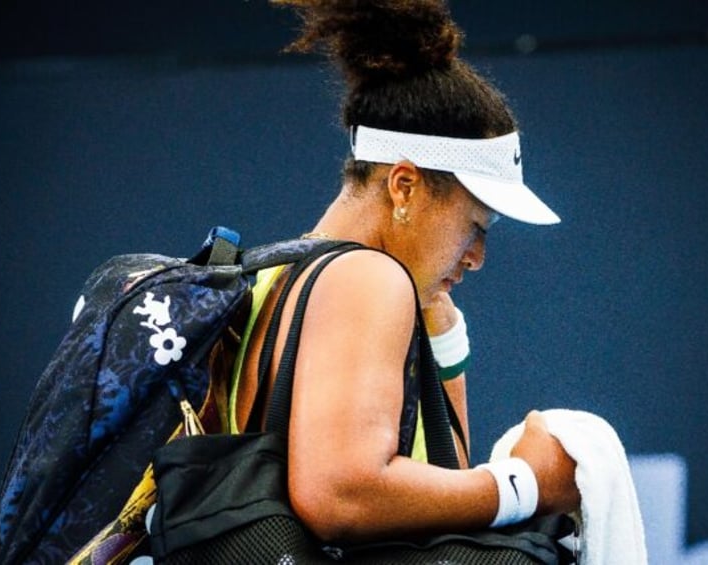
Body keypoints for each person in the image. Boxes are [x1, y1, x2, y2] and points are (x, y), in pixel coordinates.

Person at [229, 0, 581, 544]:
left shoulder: (271, 278)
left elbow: (435, 500)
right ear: (404, 186)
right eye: (475, 224)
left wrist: (443, 335)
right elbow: (341, 494)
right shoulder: (366, 279)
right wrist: (527, 484)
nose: (477, 256)